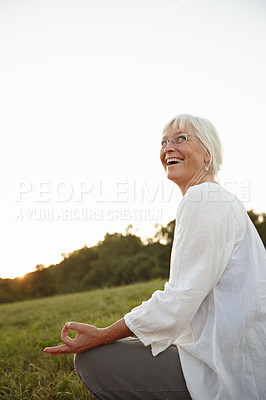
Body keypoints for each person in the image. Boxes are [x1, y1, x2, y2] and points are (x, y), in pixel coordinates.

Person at [44, 114, 266, 400]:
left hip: (225, 371)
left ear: (207, 153)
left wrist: (105, 333)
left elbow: (178, 301)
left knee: (94, 360)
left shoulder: (202, 199)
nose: (168, 148)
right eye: (163, 142)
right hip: (243, 360)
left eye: (180, 139)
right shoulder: (222, 199)